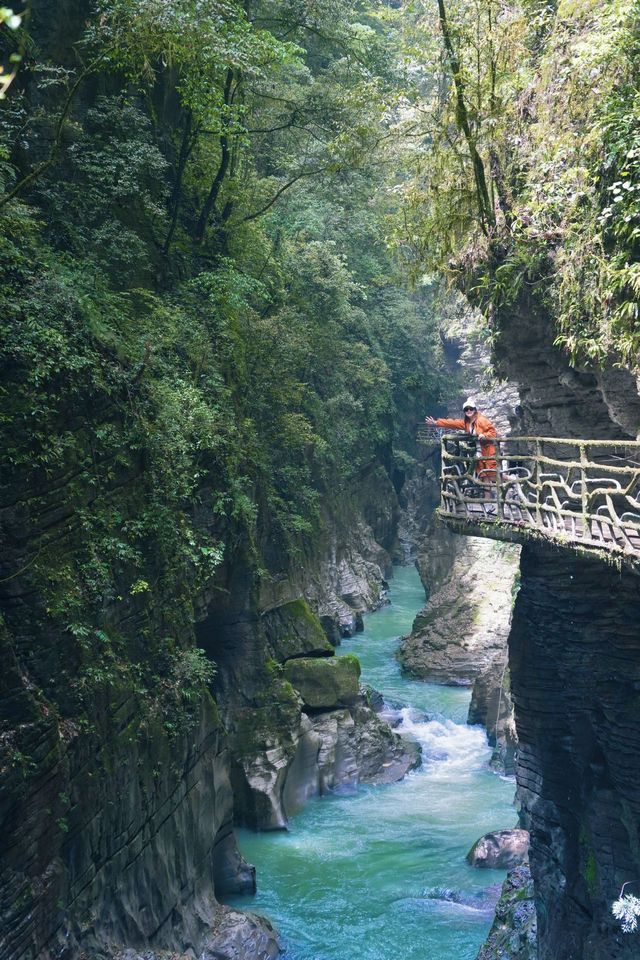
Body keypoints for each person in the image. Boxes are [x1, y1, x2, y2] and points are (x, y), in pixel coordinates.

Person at [425, 397, 498, 482]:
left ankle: (513, 480)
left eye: (470, 409)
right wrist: (436, 422)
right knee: (484, 476)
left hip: (488, 450)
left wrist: (484, 435)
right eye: (466, 409)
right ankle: (487, 495)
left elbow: (493, 433)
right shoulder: (467, 423)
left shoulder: (482, 420)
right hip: (479, 452)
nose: (469, 411)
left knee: (493, 476)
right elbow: (453, 423)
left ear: (474, 409)